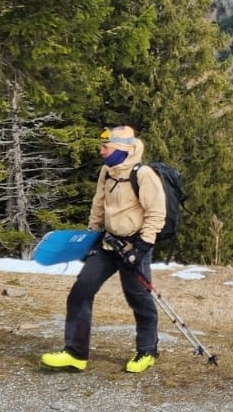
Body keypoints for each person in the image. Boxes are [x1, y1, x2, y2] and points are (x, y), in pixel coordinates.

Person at [41, 125, 167, 373]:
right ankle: (75, 354)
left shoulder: (143, 175)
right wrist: (91, 236)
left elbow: (156, 213)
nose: (101, 151)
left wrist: (141, 248)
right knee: (80, 291)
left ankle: (147, 351)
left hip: (134, 246)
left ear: (121, 148)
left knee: (138, 299)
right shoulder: (107, 172)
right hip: (108, 244)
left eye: (105, 146)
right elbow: (98, 204)